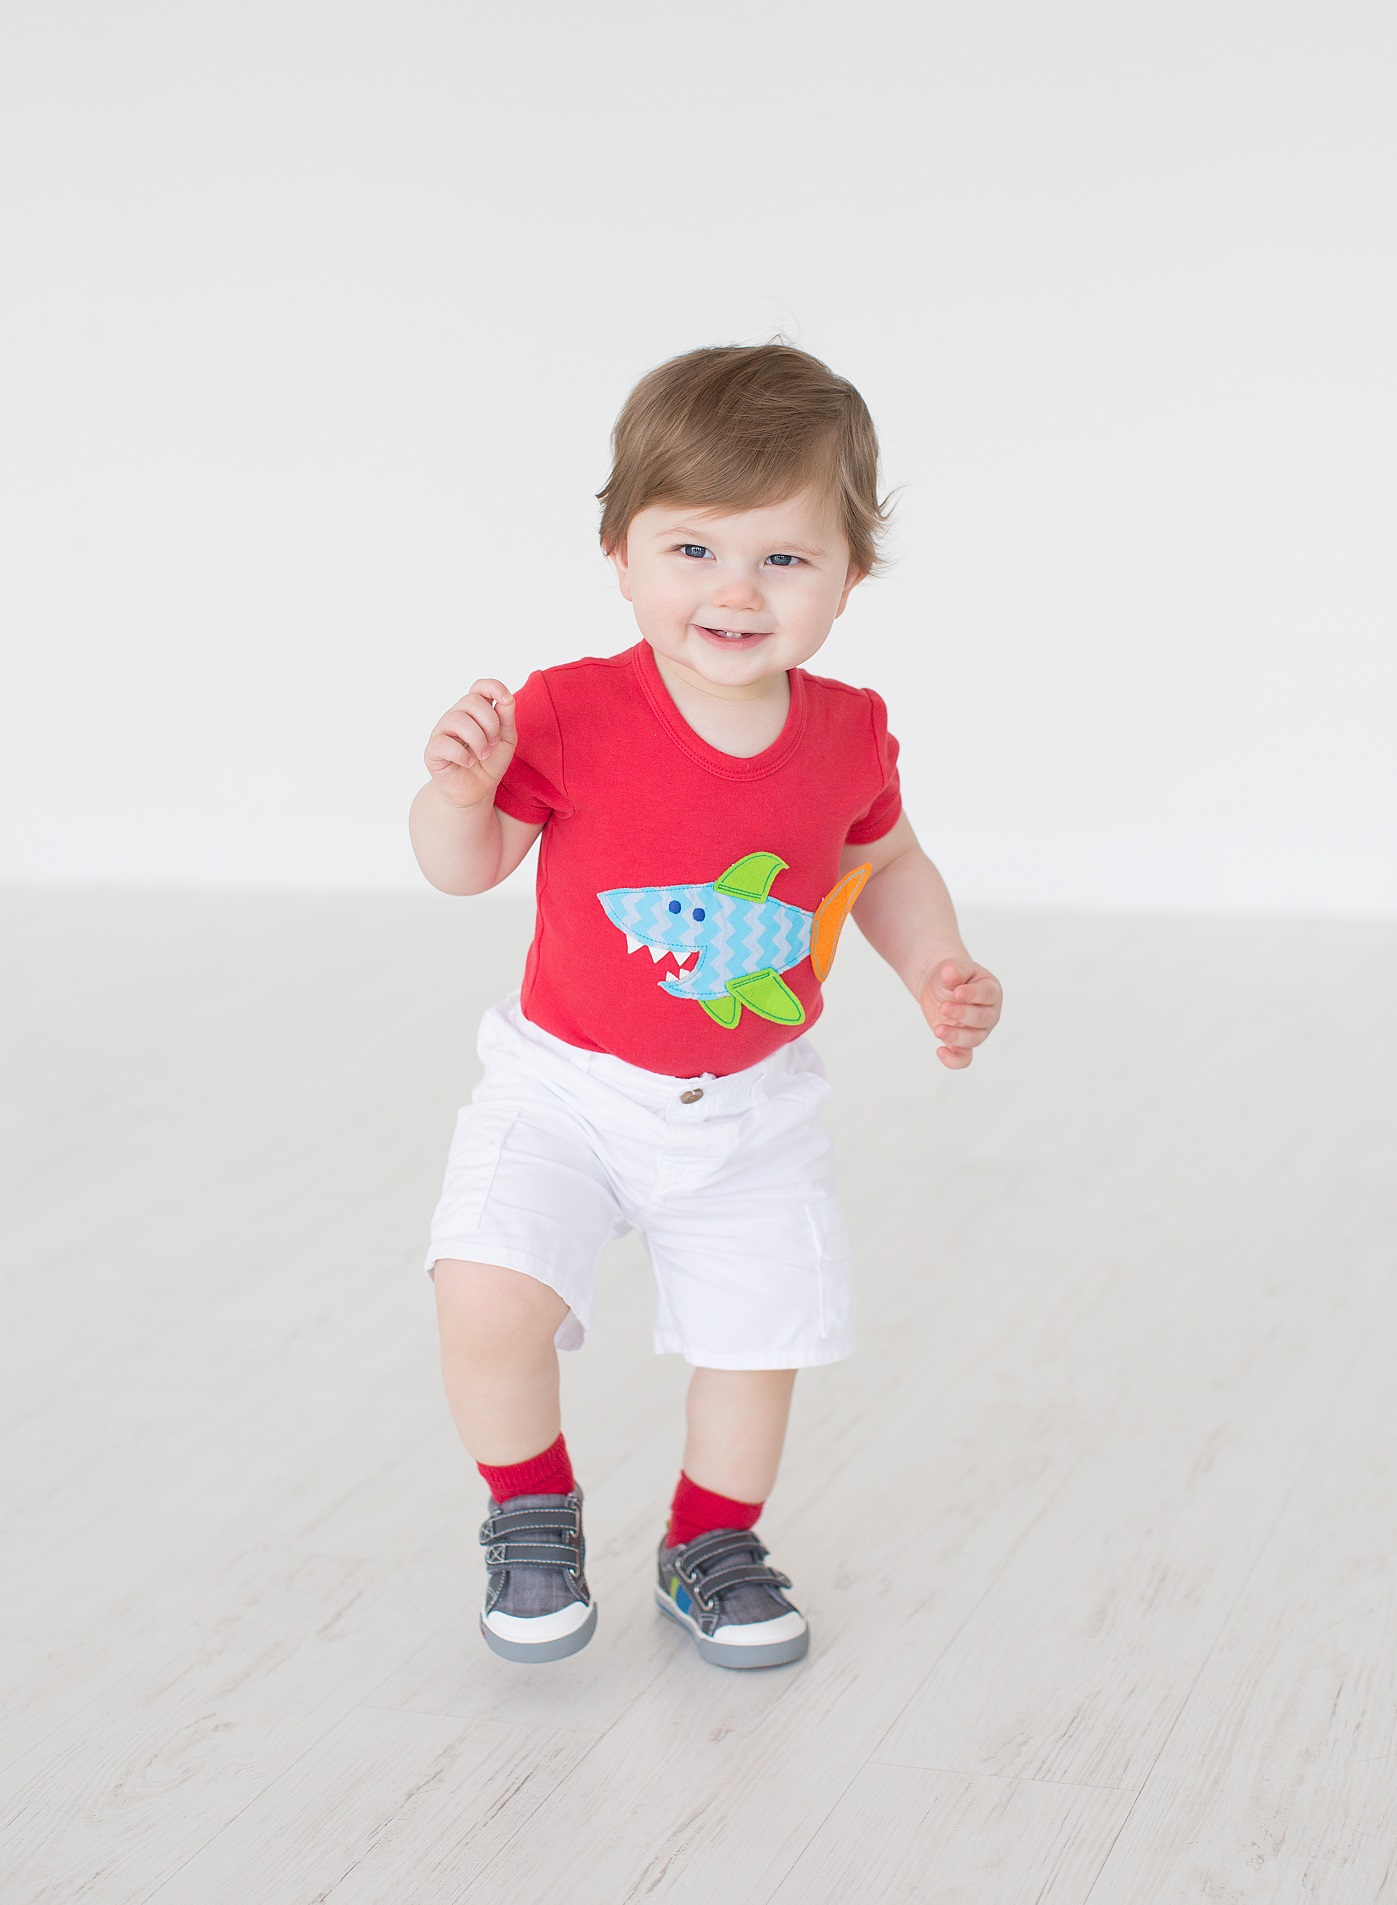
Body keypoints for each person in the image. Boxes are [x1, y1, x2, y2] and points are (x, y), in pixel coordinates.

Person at [409, 342, 1002, 1670]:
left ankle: (709, 1540)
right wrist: (456, 797)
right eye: (693, 550)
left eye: (783, 557)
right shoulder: (567, 710)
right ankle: (530, 1508)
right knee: (485, 1291)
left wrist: (936, 964)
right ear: (619, 554)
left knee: (755, 1341)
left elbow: (887, 862)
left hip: (748, 1107)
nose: (735, 590)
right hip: (562, 1084)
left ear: (850, 575)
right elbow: (467, 870)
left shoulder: (848, 731)